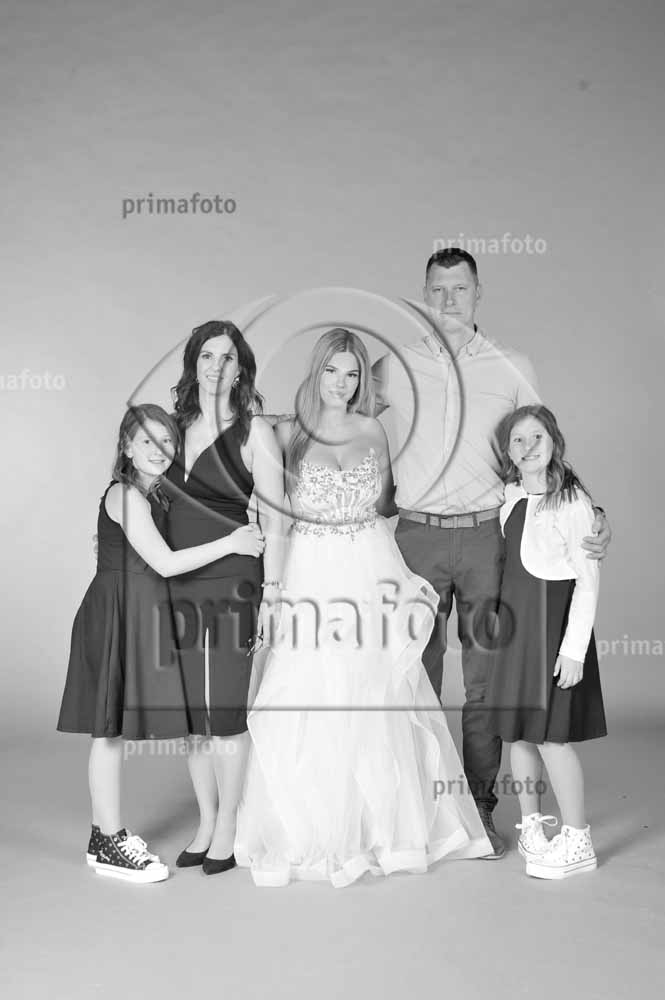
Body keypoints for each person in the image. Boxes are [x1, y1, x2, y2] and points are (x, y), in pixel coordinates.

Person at [372, 247, 611, 857]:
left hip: (487, 538)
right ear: (424, 295)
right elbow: (338, 415)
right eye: (437, 289)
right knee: (413, 673)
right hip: (416, 538)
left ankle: (477, 806)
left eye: (460, 288)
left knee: (484, 682)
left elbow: (541, 442)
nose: (448, 299)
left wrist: (592, 511)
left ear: (479, 293)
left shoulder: (513, 365)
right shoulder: (392, 365)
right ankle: (420, 807)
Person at [234, 328, 492, 887]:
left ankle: (384, 826)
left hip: (369, 564)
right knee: (313, 684)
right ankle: (317, 825)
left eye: (352, 374)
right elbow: (253, 482)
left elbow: (387, 500)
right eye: (332, 370)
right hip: (310, 568)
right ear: (315, 371)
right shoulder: (285, 432)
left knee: (376, 686)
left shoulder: (373, 429)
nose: (342, 383)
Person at [57, 404, 265, 883]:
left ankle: (105, 836)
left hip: (134, 611)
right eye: (146, 440)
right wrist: (232, 542)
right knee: (107, 730)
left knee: (111, 729)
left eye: (168, 441)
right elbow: (166, 563)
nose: (159, 449)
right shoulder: (128, 495)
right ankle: (107, 839)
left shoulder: (152, 495)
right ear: (126, 447)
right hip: (116, 613)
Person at [164, 320, 284, 876]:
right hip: (177, 581)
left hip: (235, 579)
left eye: (228, 357)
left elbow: (278, 521)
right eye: (207, 356)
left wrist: (273, 595)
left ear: (241, 369)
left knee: (225, 709)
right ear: (194, 364)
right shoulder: (169, 429)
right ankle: (207, 819)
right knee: (192, 713)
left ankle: (231, 826)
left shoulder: (255, 433)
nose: (216, 366)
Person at [485, 405, 606, 878]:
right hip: (516, 631)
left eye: (537, 436)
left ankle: (578, 839)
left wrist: (573, 649)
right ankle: (531, 827)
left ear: (554, 441)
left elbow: (588, 581)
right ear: (508, 451)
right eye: (518, 439)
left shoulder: (572, 501)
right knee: (518, 733)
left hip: (553, 630)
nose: (529, 446)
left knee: (553, 738)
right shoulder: (509, 494)